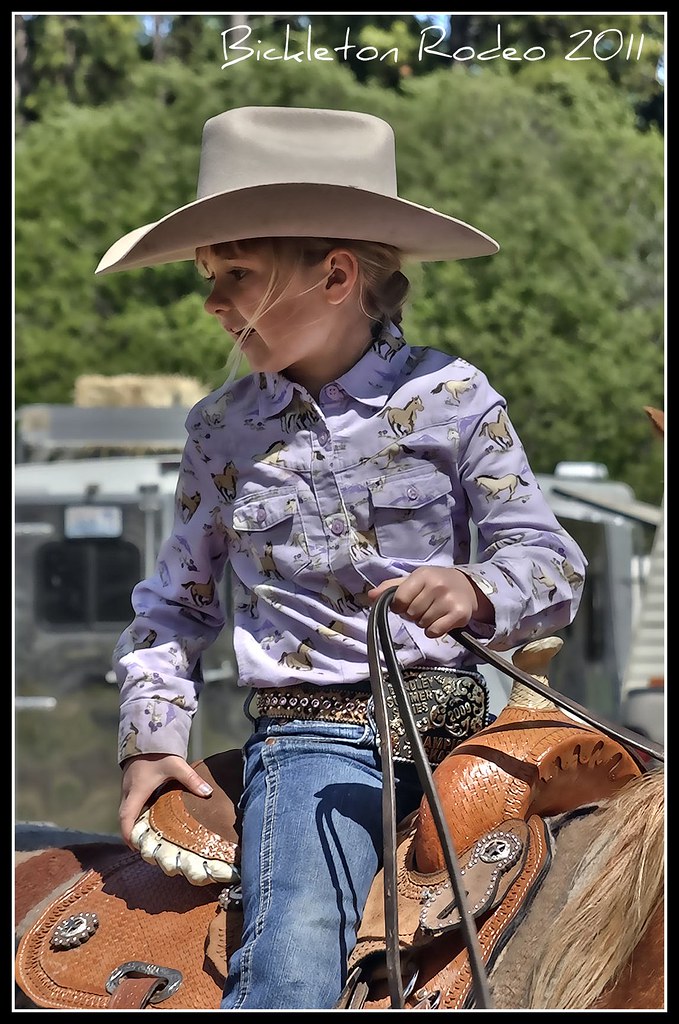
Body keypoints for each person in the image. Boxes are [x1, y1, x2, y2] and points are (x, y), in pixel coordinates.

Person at [97, 105, 587, 1010]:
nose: (212, 302)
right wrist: (150, 738)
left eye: (235, 274)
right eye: (210, 275)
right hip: (316, 747)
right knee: (292, 965)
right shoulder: (221, 429)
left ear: (334, 275)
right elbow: (174, 607)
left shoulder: (453, 396)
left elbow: (549, 560)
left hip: (473, 735)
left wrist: (478, 587)